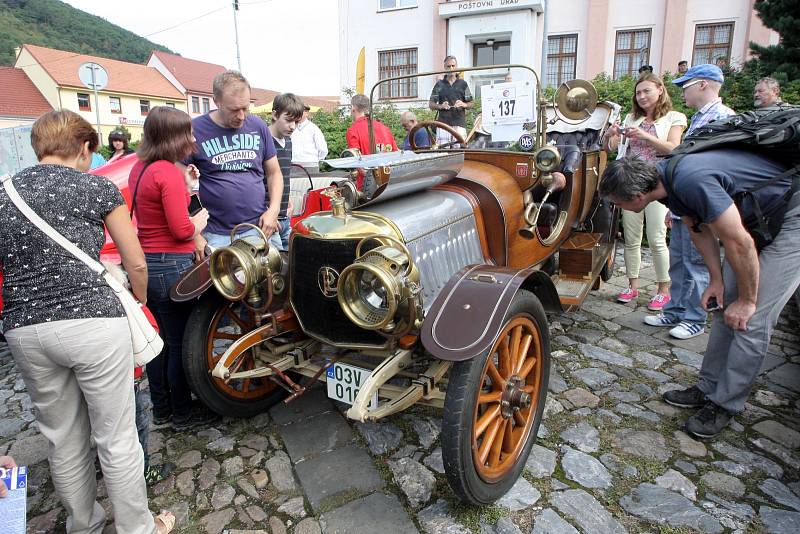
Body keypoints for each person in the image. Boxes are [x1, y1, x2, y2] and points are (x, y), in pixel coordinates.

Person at [0, 110, 174, 533]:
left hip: (24, 327)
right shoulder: (95, 186)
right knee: (115, 437)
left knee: (62, 438)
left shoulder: (3, 194)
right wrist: (140, 297)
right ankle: (138, 527)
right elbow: (134, 260)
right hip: (93, 321)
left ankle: (84, 525)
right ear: (83, 148)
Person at [599, 152, 800, 439]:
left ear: (638, 196)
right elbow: (699, 228)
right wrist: (716, 281)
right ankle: (708, 387)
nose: (617, 208)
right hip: (757, 215)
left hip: (791, 215)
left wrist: (748, 300)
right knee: (723, 306)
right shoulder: (665, 182)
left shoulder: (691, 181)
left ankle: (725, 403)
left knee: (750, 320)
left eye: (617, 203)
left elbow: (739, 243)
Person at [129, 106, 212, 432]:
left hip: (147, 263)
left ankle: (161, 411)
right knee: (179, 344)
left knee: (157, 342)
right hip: (172, 264)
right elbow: (180, 230)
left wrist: (186, 187)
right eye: (187, 132)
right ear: (172, 137)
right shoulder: (167, 172)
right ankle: (182, 414)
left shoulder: (141, 168)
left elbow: (154, 211)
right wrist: (199, 221)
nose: (192, 138)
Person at [645, 64, 735, 339]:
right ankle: (675, 310)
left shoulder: (723, 117)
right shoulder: (699, 118)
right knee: (680, 259)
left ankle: (695, 317)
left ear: (704, 85)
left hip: (702, 203)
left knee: (697, 262)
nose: (682, 91)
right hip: (685, 201)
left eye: (686, 86)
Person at [601, 73, 687, 310]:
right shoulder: (631, 117)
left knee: (657, 238)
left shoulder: (674, 117)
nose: (641, 96)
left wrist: (645, 136)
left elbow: (674, 149)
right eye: (638, 93)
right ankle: (632, 286)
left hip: (657, 185)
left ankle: (663, 289)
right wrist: (611, 136)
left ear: (660, 90)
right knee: (631, 239)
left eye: (646, 91)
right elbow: (613, 149)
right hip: (629, 185)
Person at [184, 70, 283, 255]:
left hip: (260, 227)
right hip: (216, 235)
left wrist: (274, 210)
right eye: (234, 110)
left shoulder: (258, 126)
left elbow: (274, 173)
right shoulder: (194, 130)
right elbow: (178, 183)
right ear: (216, 101)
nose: (242, 116)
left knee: (274, 281)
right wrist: (195, 233)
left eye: (245, 108)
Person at [268, 93, 304, 250]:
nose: (293, 126)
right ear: (275, 114)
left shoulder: (288, 141)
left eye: (296, 122)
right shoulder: (264, 141)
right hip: (270, 218)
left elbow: (284, 174)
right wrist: (269, 212)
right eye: (288, 120)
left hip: (284, 216)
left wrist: (287, 197)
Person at [429, 55, 474, 145]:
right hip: (443, 124)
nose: (451, 68)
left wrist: (463, 104)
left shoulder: (463, 84)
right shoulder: (439, 85)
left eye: (453, 66)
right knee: (443, 153)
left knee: (460, 153)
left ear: (456, 67)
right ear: (445, 68)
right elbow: (431, 104)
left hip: (459, 124)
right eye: (448, 66)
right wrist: (441, 106)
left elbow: (471, 103)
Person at [291, 105, 328, 171]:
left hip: (310, 165)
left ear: (307, 113)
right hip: (293, 164)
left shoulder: (313, 128)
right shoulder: (291, 127)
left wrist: (314, 160)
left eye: (301, 111)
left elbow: (323, 149)